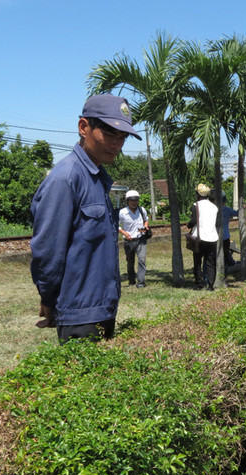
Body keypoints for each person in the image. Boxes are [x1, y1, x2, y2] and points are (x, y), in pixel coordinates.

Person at [30, 94, 142, 343]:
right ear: (83, 127)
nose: (117, 144)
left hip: (102, 307)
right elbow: (47, 251)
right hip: (80, 313)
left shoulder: (97, 178)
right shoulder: (66, 178)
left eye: (122, 137)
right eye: (110, 134)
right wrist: (48, 299)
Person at [187, 183, 219, 290]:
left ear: (197, 194)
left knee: (197, 262)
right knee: (210, 262)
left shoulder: (196, 205)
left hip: (199, 238)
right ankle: (210, 285)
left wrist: (188, 225)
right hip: (212, 237)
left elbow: (193, 221)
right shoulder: (214, 207)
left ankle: (199, 284)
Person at [118, 189, 149, 288]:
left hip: (141, 239)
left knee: (142, 260)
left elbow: (146, 220)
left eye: (136, 200)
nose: (134, 202)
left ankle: (141, 282)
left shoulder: (141, 210)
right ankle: (131, 280)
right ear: (127, 201)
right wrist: (124, 233)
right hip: (129, 240)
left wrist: (145, 227)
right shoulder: (122, 212)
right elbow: (116, 225)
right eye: (132, 200)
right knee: (130, 261)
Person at [217, 191, 238, 269]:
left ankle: (224, 264)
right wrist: (242, 207)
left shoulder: (213, 210)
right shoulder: (227, 209)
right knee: (226, 251)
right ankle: (229, 263)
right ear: (225, 201)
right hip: (225, 236)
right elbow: (237, 213)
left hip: (215, 236)